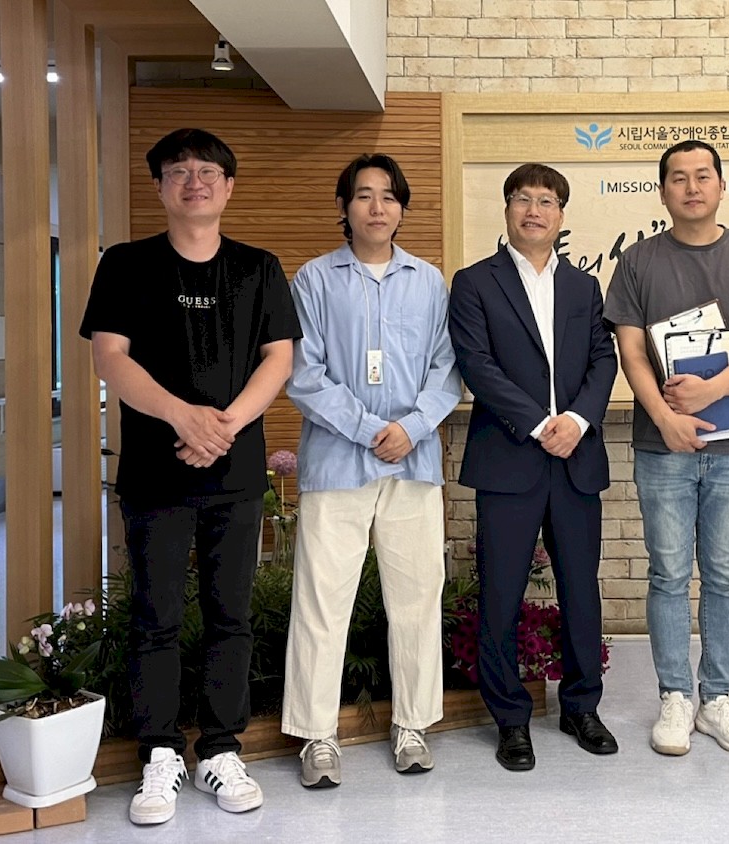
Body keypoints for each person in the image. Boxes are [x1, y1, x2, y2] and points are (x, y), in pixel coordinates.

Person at [79, 128, 301, 824]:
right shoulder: (125, 264)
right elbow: (109, 357)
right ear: (160, 187)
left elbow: (279, 357)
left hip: (235, 474)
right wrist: (183, 417)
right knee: (157, 617)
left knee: (232, 615)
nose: (194, 181)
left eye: (208, 171)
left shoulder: (258, 267)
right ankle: (159, 753)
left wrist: (222, 427)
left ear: (229, 187)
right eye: (178, 171)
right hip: (156, 473)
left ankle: (222, 749)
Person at [603, 140, 729, 757]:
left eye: (703, 176)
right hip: (663, 447)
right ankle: (675, 695)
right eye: (678, 178)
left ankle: (718, 697)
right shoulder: (637, 262)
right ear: (662, 191)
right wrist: (665, 417)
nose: (691, 187)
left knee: (724, 575)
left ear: (721, 185)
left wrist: (710, 390)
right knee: (667, 572)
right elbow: (631, 352)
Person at [281, 153, 460, 789]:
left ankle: (412, 724)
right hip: (337, 464)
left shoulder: (429, 282)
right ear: (345, 207)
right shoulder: (313, 280)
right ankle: (317, 734)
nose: (377, 207)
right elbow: (304, 373)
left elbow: (447, 369)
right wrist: (366, 430)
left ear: (402, 208)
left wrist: (411, 428)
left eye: (388, 196)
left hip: (413, 462)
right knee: (322, 601)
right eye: (363, 195)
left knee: (416, 598)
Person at [448, 163, 620, 771]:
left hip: (575, 458)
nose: (534, 210)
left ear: (561, 215)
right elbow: (476, 363)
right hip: (509, 457)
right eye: (523, 199)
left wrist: (576, 420)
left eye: (546, 201)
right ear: (507, 209)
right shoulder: (475, 282)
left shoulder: (583, 287)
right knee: (500, 593)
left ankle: (581, 706)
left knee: (580, 589)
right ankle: (510, 718)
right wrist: (538, 422)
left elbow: (603, 359)